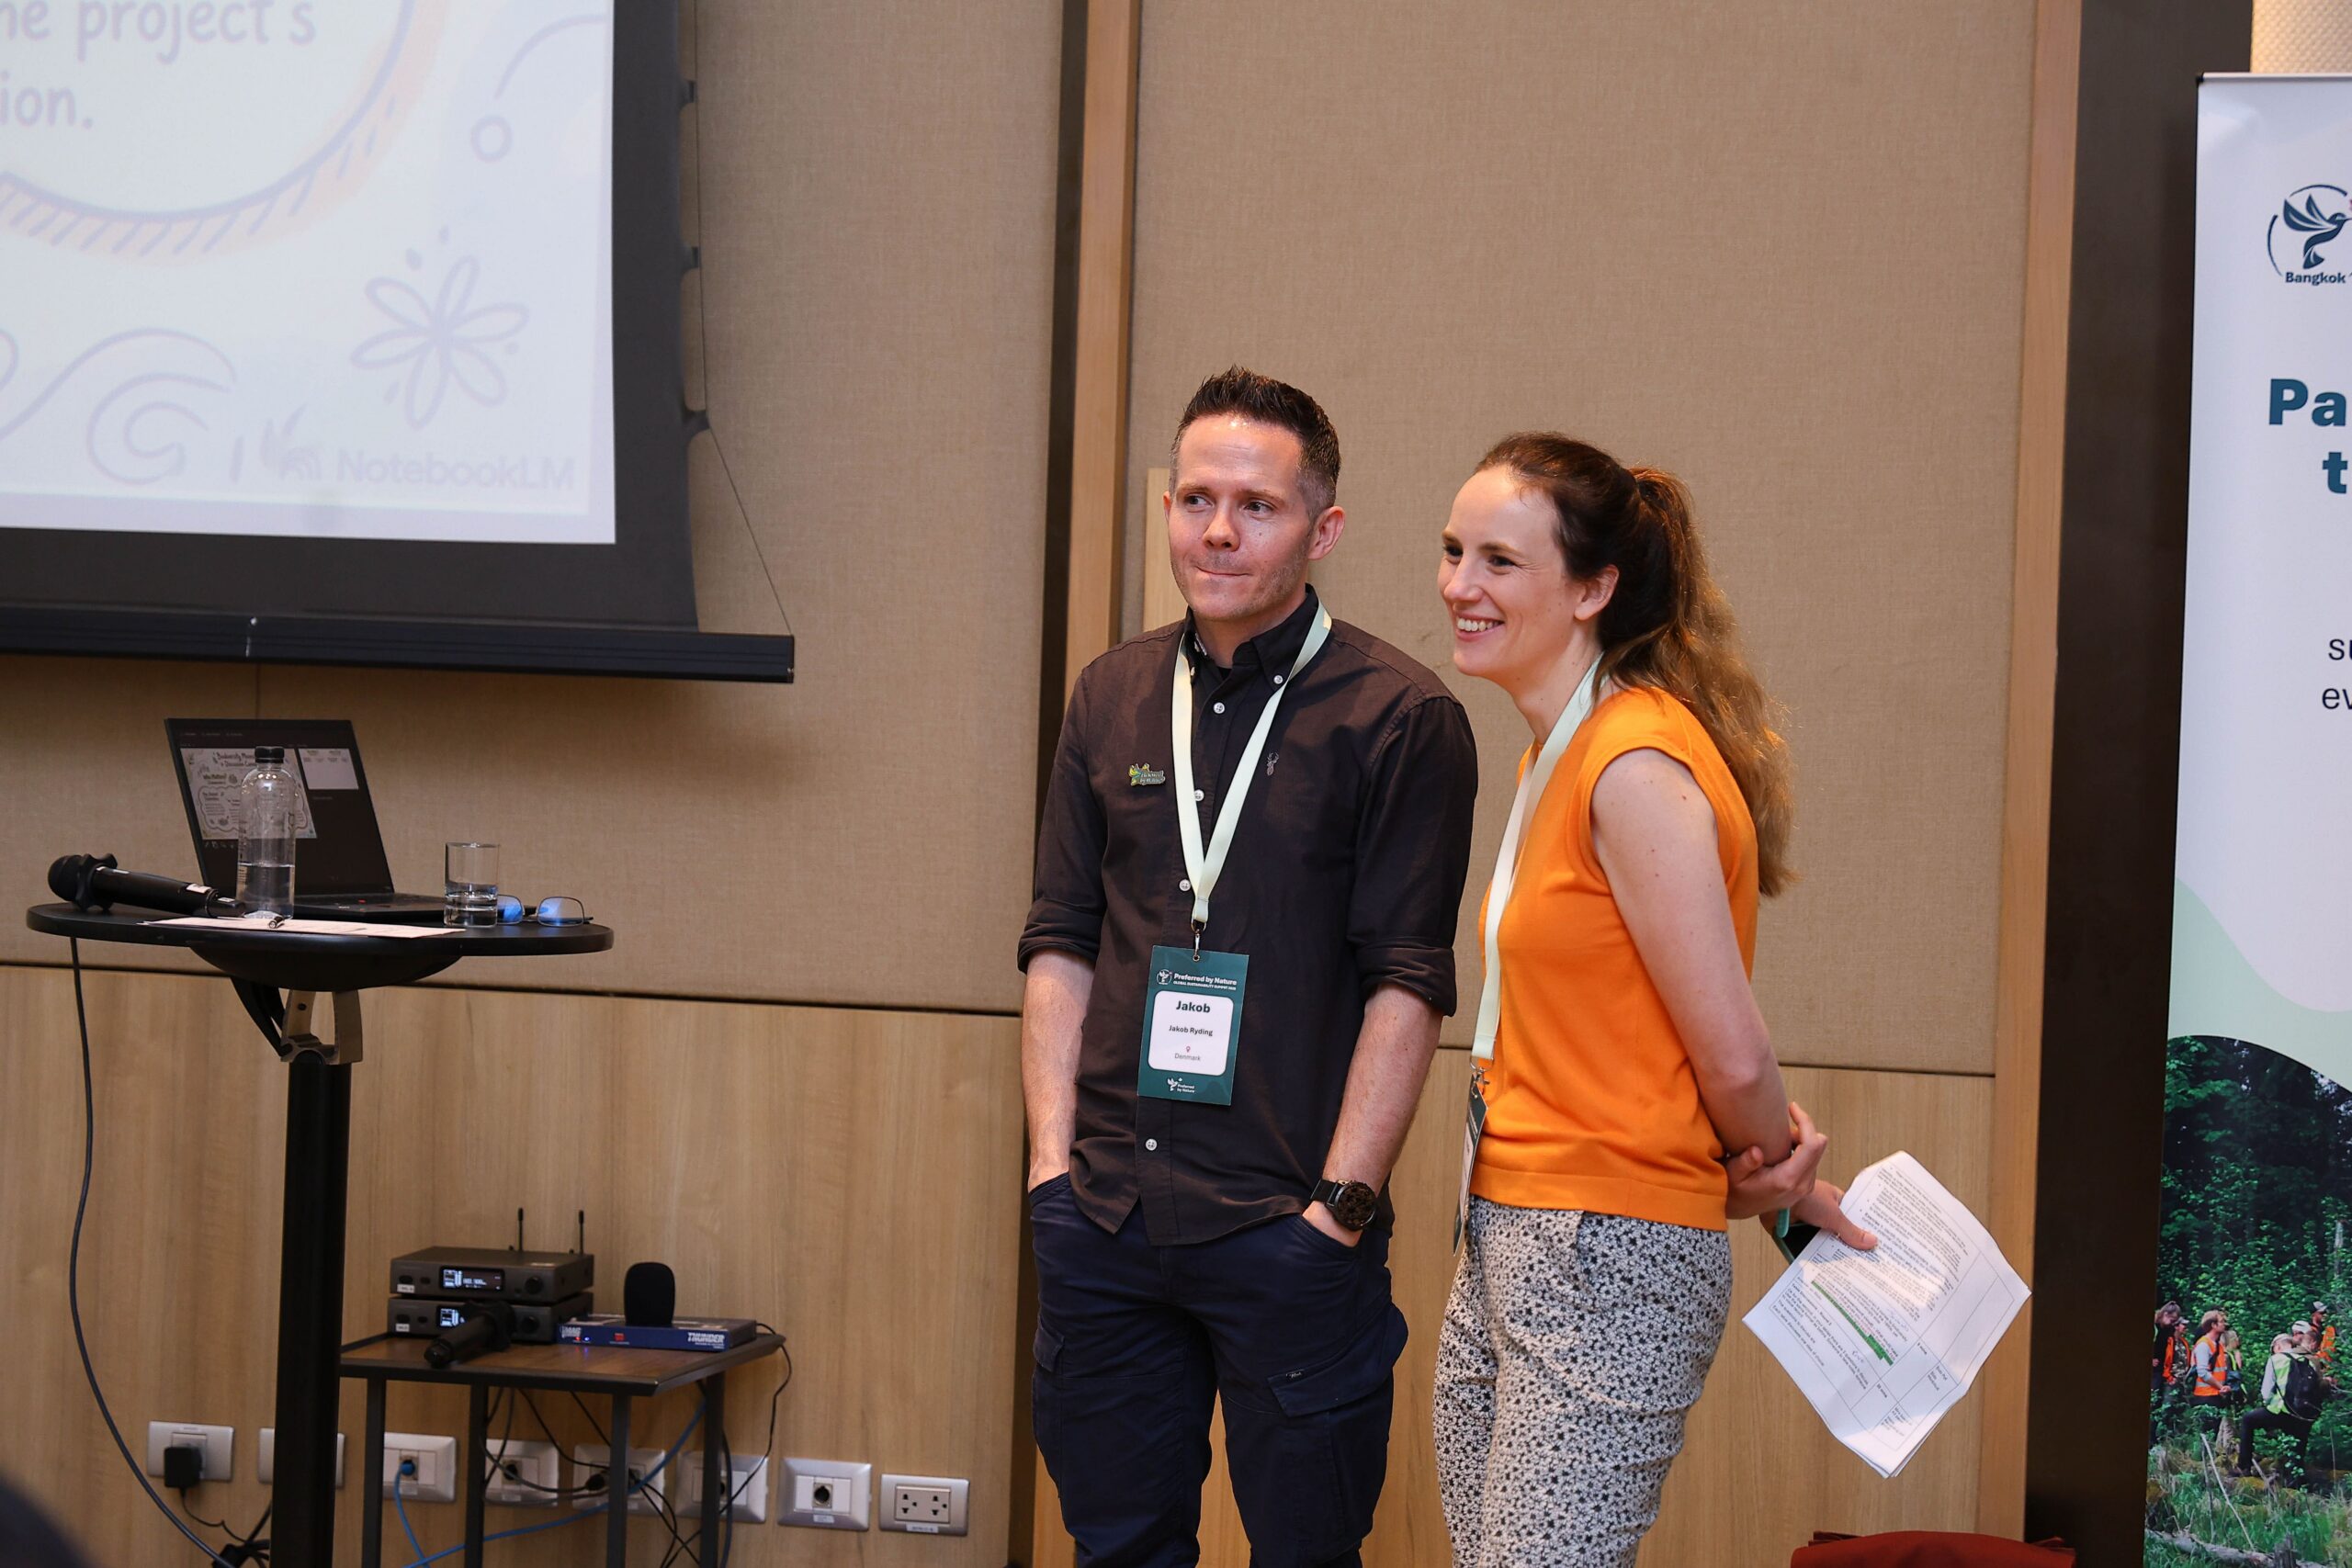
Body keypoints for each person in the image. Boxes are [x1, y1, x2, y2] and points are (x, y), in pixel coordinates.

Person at [1021, 367, 1479, 1566]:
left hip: (1288, 1228)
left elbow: (1408, 983)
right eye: (1196, 499)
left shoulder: (1399, 718)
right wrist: (1051, 1173)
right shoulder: (1111, 695)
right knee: (1118, 1547)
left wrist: (1340, 1211)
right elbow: (1061, 938)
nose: (1217, 530)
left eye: (1257, 506)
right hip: (1106, 1218)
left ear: (1322, 529)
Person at [1427, 434, 1871, 1567]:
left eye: (1500, 561)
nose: (1460, 585)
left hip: (1601, 1249)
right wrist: (1772, 1179)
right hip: (1512, 1223)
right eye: (1453, 551)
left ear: (1592, 590)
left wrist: (1776, 1175)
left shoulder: (1630, 762)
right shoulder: (1558, 753)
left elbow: (1729, 1049)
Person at [2237, 1324, 2331, 1484]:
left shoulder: (2276, 1359)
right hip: (2303, 1413)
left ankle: (2244, 1466)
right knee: (2298, 1446)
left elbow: (2266, 1392)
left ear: (2278, 1346)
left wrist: (2269, 1406)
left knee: (2248, 1420)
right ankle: (2295, 1481)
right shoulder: (2311, 1361)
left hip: (2279, 1410)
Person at [2189, 1309, 2232, 1453]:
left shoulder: (2218, 1345)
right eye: (2221, 1321)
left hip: (2216, 1395)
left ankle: (2211, 1459)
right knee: (2206, 1436)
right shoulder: (2203, 1345)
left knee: (2214, 1434)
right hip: (2205, 1396)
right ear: (2213, 1325)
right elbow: (2202, 1372)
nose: (2225, 1324)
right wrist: (2221, 1387)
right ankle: (2203, 1461)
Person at [2152, 1301, 2188, 1447]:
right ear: (2165, 1314)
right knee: (2153, 1401)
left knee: (2159, 1403)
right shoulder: (2155, 1325)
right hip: (2154, 1369)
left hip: (2161, 1369)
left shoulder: (2168, 1329)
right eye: (2172, 1320)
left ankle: (2155, 1438)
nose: (2172, 1324)